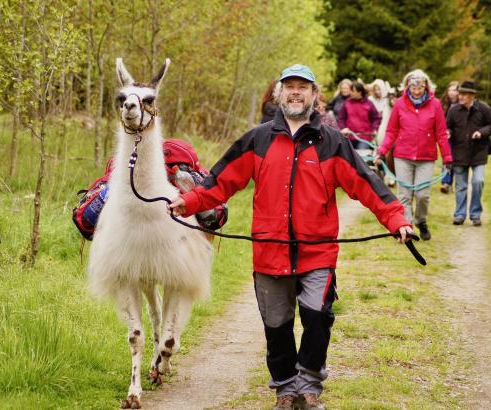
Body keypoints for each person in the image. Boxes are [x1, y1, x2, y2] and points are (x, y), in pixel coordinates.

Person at [168, 64, 413, 410]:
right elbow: (219, 181)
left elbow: (366, 184)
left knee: (318, 316)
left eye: (303, 87)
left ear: (315, 95)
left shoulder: (332, 142)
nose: (296, 93)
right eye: (290, 87)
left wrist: (396, 219)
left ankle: (309, 386)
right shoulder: (258, 139)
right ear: (279, 94)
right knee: (276, 325)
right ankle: (285, 389)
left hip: (318, 253)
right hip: (269, 251)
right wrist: (188, 201)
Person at [375, 69, 453, 241]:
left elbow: (441, 133)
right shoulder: (400, 104)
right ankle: (407, 228)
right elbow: (392, 131)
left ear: (426, 86)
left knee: (422, 194)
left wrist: (447, 158)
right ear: (408, 87)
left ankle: (421, 220)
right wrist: (381, 151)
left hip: (426, 157)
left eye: (420, 87)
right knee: (404, 194)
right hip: (403, 156)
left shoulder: (435, 105)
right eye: (413, 87)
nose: (416, 91)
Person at [446, 80, 491, 226]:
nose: (460, 96)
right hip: (459, 152)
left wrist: (481, 132)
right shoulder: (453, 110)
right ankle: (460, 215)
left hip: (478, 152)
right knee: (461, 186)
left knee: (478, 181)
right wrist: (448, 132)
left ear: (473, 96)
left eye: (464, 94)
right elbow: (447, 126)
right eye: (459, 93)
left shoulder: (484, 108)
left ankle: (475, 214)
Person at [337, 81, 381, 149]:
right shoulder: (346, 103)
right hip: (349, 137)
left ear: (359, 92)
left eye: (352, 91)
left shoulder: (369, 104)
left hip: (364, 138)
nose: (350, 92)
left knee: (361, 156)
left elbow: (376, 118)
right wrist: (343, 128)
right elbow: (341, 118)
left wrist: (374, 129)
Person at [439, 81, 459, 194]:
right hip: (446, 136)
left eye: (455, 90)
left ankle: (452, 182)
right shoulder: (443, 104)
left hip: (459, 136)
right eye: (450, 90)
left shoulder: (461, 104)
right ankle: (446, 182)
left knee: (456, 160)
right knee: (447, 159)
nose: (452, 93)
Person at [368, 79, 392, 145]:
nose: (377, 92)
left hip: (385, 125)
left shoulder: (387, 100)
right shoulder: (370, 99)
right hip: (373, 125)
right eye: (375, 90)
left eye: (379, 89)